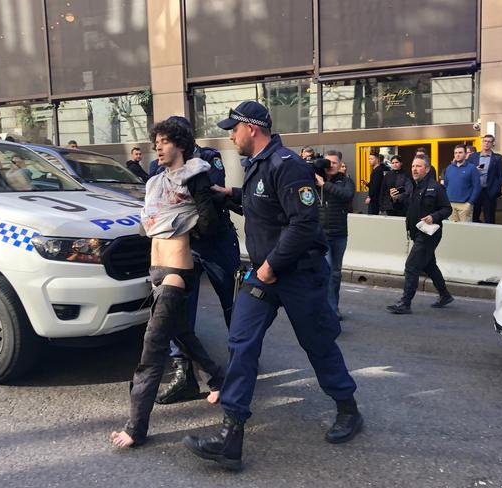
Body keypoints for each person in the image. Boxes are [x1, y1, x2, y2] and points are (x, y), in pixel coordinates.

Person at [183, 101, 361, 471]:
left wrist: (270, 267)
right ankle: (229, 440)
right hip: (265, 274)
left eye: (234, 127)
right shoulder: (257, 167)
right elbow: (262, 207)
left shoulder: (287, 165)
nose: (230, 134)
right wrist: (227, 194)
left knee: (318, 344)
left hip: (297, 275)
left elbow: (303, 225)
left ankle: (348, 408)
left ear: (253, 128)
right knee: (241, 342)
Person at [110, 120, 225, 449]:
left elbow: (210, 223)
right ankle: (219, 379)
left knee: (152, 348)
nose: (158, 147)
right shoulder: (156, 181)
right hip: (156, 269)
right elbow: (149, 220)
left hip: (176, 270)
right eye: (156, 142)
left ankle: (136, 428)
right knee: (183, 335)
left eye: (164, 142)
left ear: (181, 145)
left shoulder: (195, 176)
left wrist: (189, 227)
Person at [155, 116, 242, 405]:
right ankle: (184, 376)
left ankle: (242, 362)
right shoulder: (160, 168)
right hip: (184, 247)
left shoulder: (207, 159)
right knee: (178, 313)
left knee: (233, 306)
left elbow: (209, 195)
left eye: (168, 139)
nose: (161, 146)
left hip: (216, 243)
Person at [387, 156, 453, 315]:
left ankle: (405, 303)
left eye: (418, 166)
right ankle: (445, 295)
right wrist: (396, 199)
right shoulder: (413, 187)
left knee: (411, 266)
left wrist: (434, 217)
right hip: (416, 233)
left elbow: (447, 209)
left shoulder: (435, 187)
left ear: (427, 169)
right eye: (413, 166)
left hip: (429, 234)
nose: (414, 169)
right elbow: (405, 205)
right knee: (429, 265)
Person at [315, 150, 355, 319]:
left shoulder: (346, 182)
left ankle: (333, 306)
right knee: (328, 271)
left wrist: (324, 184)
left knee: (336, 273)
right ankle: (328, 310)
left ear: (340, 165)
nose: (330, 165)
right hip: (320, 235)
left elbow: (347, 195)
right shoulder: (312, 180)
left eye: (334, 163)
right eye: (327, 162)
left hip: (339, 235)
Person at [467, 134, 502, 224]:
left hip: (489, 192)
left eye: (489, 141)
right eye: (485, 141)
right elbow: (467, 172)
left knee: (489, 218)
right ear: (482, 142)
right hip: (476, 191)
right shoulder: (473, 157)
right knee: (474, 216)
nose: (486, 143)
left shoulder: (498, 158)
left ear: (492, 144)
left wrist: (495, 190)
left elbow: (501, 176)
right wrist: (474, 169)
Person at [443, 145, 481, 222]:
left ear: (465, 154)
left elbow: (477, 187)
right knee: (453, 230)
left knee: (465, 231)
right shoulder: (449, 168)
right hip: (451, 204)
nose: (458, 154)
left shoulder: (472, 168)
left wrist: (470, 203)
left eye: (460, 152)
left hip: (465, 205)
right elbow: (446, 185)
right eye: (456, 153)